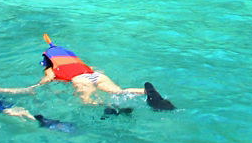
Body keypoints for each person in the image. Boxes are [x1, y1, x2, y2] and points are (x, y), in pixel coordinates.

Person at [38, 34, 173, 109]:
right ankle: (145, 91)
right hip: (97, 76)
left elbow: (48, 78)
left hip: (80, 80)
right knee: (119, 92)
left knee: (86, 102)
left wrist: (37, 86)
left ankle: (112, 107)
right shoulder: (77, 62)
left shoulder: (50, 68)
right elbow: (96, 69)